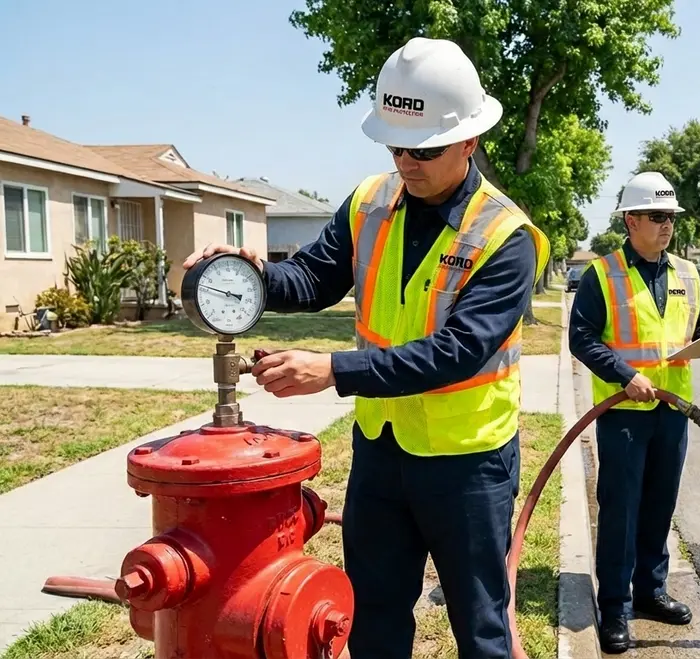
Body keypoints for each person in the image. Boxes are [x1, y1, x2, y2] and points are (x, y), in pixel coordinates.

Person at [182, 36, 550, 659]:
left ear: (470, 140)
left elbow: (456, 352)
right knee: (374, 616)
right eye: (396, 144)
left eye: (425, 149)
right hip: (382, 453)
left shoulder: (506, 236)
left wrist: (332, 370)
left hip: (468, 464)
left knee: (481, 626)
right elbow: (314, 277)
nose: (407, 161)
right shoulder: (370, 202)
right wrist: (248, 276)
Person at [568, 171, 700, 654]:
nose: (667, 226)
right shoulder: (602, 275)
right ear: (631, 219)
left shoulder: (686, 273)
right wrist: (624, 374)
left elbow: (699, 332)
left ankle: (650, 591)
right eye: (657, 217)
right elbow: (581, 338)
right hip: (624, 411)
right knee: (621, 509)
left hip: (673, 411)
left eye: (671, 218)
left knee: (660, 505)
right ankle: (616, 606)